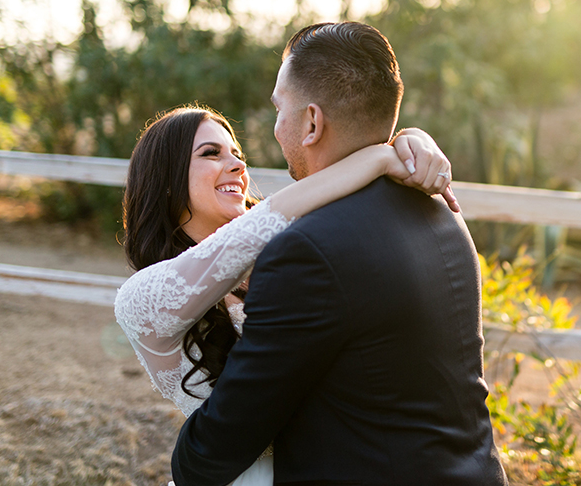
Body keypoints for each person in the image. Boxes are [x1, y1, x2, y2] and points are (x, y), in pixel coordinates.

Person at [171, 22, 508, 485]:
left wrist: (183, 465)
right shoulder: (440, 210)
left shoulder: (306, 251)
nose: (276, 128)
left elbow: (222, 442)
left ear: (312, 122)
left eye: (279, 109)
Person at [115, 104, 457, 486]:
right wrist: (380, 156)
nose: (237, 166)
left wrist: (410, 142)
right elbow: (267, 220)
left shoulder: (283, 257)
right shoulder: (141, 300)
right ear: (165, 179)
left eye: (237, 155)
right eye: (211, 154)